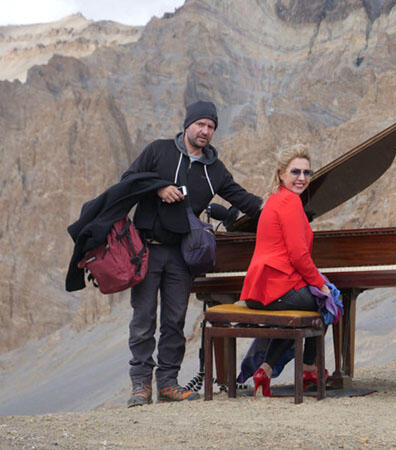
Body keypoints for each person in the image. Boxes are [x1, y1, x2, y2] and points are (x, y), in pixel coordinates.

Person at [122, 101, 262, 407]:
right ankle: (140, 386)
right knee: (143, 319)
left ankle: (168, 384)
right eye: (200, 124)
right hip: (146, 249)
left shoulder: (215, 170)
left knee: (175, 320)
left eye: (211, 127)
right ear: (188, 124)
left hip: (181, 256)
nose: (205, 131)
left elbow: (245, 200)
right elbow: (127, 182)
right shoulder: (158, 151)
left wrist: (282, 209)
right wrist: (159, 188)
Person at [240, 145, 331, 396]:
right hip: (275, 288)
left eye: (307, 172)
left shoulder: (274, 199)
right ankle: (309, 367)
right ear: (281, 173)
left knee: (304, 310)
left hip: (262, 289)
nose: (302, 178)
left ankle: (265, 371)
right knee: (329, 301)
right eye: (295, 172)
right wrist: (321, 284)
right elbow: (299, 255)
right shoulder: (291, 202)